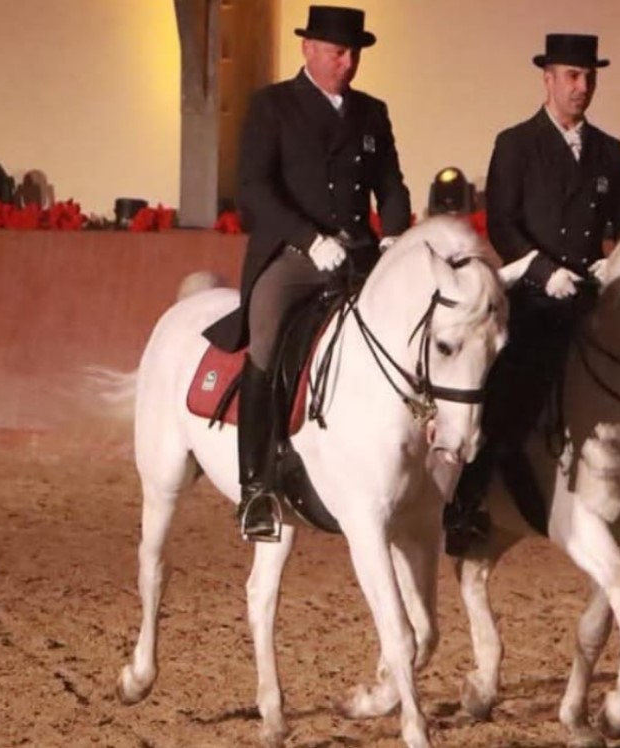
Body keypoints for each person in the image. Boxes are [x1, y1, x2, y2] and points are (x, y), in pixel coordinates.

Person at [444, 33, 620, 561]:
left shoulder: (609, 150)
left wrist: (614, 261)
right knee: (509, 385)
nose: (582, 86)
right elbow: (503, 223)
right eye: (572, 76)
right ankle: (468, 501)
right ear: (548, 80)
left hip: (590, 293)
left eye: (589, 77)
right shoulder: (516, 144)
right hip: (535, 294)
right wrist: (543, 271)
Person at [203, 5, 411, 542]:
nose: (348, 63)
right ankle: (256, 486)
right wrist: (310, 240)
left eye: (353, 54)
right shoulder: (272, 105)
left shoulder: (372, 112)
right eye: (338, 52)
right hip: (293, 256)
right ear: (309, 49)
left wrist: (392, 236)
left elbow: (391, 185)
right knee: (266, 338)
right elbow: (254, 190)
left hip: (359, 254)